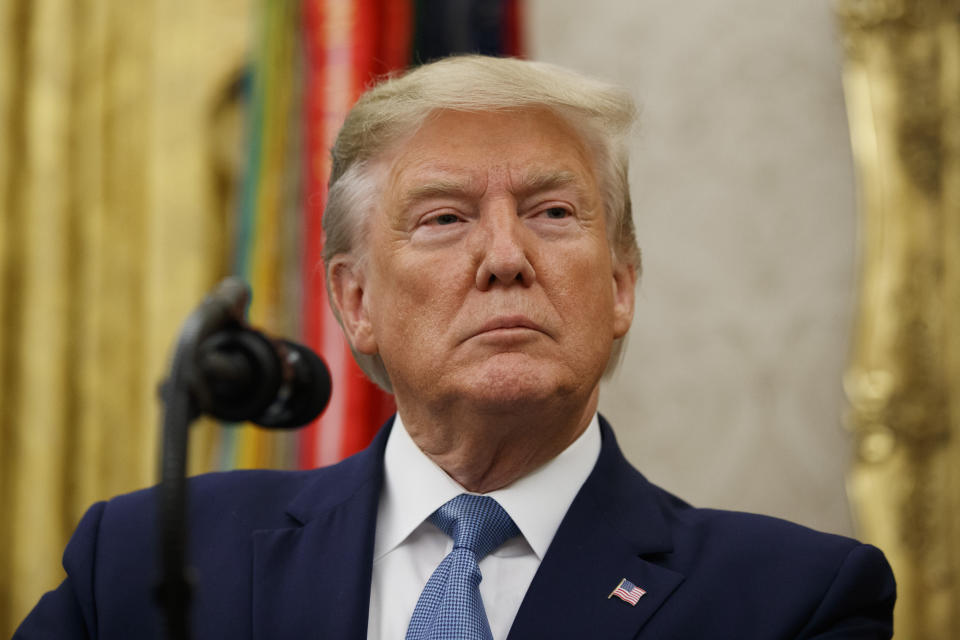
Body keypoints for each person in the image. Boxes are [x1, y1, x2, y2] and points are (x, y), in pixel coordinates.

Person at [16, 55, 895, 639]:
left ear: (621, 285)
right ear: (355, 301)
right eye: (444, 219)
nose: (507, 258)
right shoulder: (145, 561)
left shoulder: (789, 602)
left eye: (553, 212)